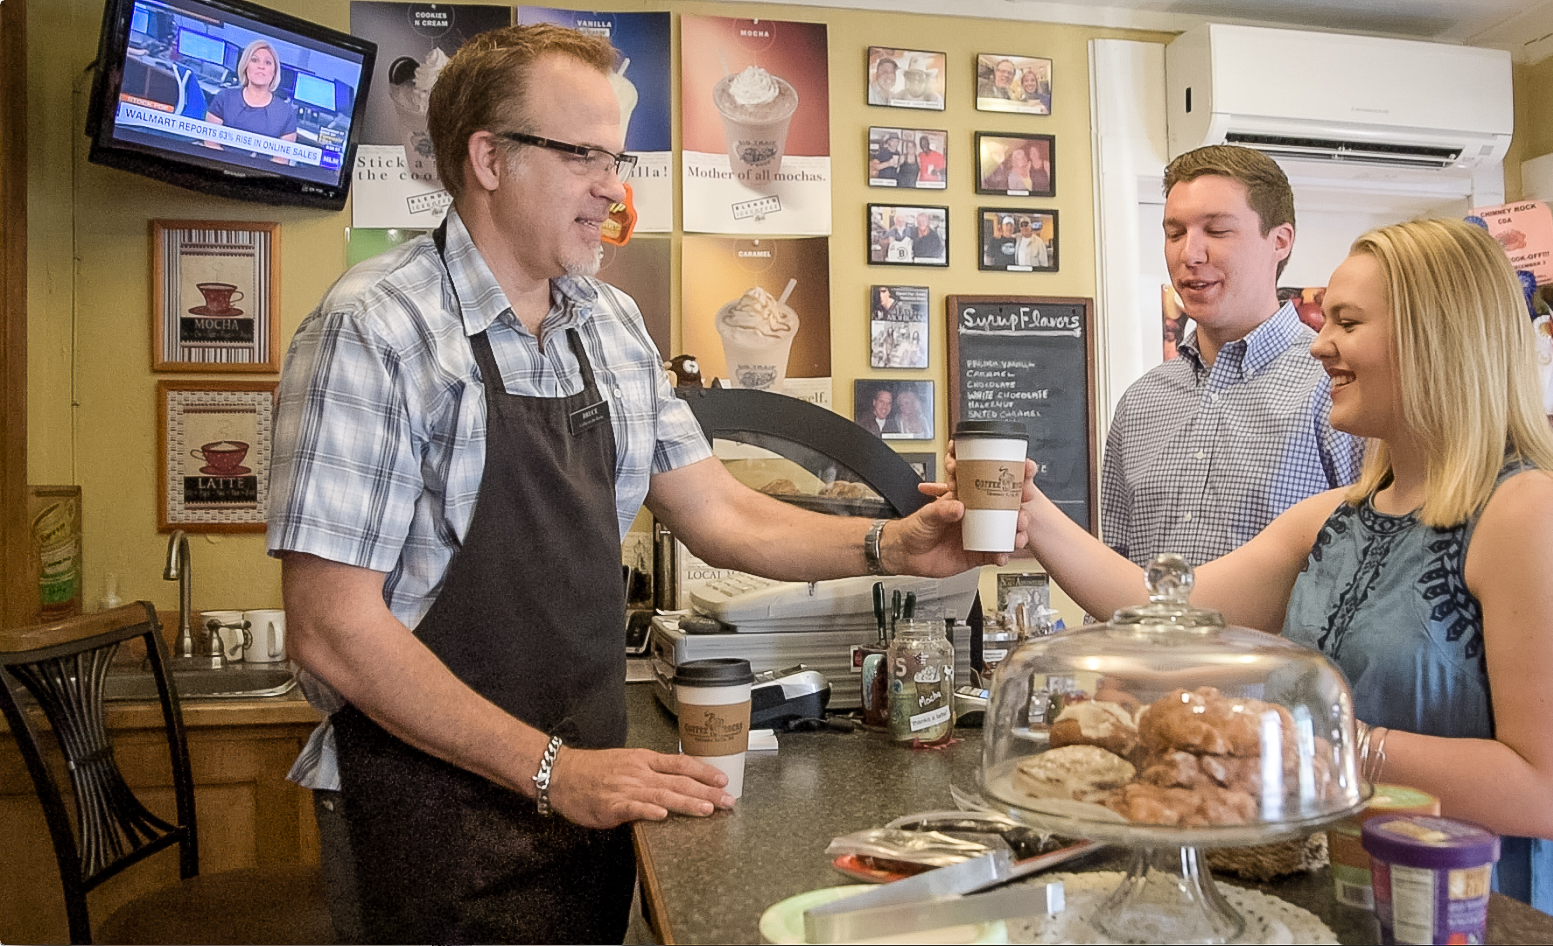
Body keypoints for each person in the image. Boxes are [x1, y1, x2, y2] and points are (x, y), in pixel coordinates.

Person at [267, 25, 1016, 945]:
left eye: (615, 156)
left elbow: (718, 512)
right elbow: (334, 628)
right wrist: (551, 771)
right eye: (582, 154)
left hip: (586, 796)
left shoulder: (609, 322)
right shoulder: (374, 330)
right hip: (429, 810)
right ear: (489, 159)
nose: (612, 185)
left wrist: (888, 545)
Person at [1010, 217, 1553, 942]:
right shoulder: (1338, 515)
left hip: (1495, 914)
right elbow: (1165, 612)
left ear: (1438, 338)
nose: (1318, 343)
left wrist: (1323, 744)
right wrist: (1030, 515)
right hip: (1366, 897)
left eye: (1347, 322)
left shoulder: (1531, 512)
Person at [1100, 145, 1363, 566]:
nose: (1190, 254)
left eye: (1217, 231)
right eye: (1175, 233)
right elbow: (1113, 568)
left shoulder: (1335, 389)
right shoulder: (1139, 403)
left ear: (1280, 241)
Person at [204, 39, 297, 164]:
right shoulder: (224, 97)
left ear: (274, 72)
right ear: (245, 65)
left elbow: (281, 161)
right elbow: (210, 144)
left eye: (268, 63)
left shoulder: (286, 113)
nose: (261, 66)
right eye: (254, 60)